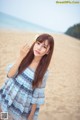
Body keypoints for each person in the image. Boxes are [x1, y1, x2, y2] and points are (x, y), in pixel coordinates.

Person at [0, 33, 54, 120]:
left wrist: (31, 114)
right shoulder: (25, 57)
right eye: (38, 43)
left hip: (20, 105)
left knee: (9, 118)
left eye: (44, 47)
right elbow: (10, 75)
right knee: (2, 116)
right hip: (7, 96)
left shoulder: (43, 72)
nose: (39, 48)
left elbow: (37, 94)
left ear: (48, 51)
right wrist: (21, 57)